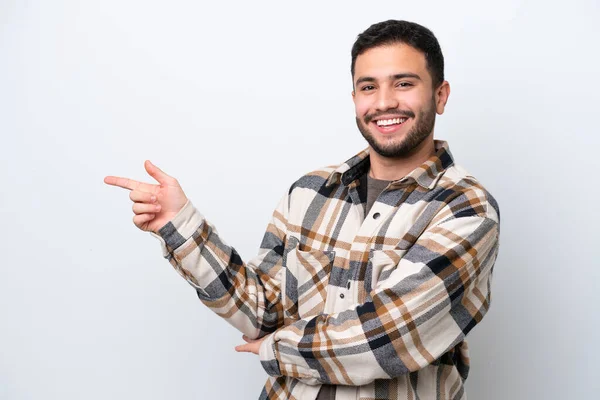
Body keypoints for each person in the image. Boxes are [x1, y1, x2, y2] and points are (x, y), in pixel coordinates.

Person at [105, 20, 500, 400]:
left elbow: (386, 340)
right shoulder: (309, 193)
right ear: (354, 100)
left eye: (404, 83)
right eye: (368, 87)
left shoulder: (466, 209)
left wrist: (276, 349)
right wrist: (180, 225)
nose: (384, 102)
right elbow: (261, 311)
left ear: (440, 95)